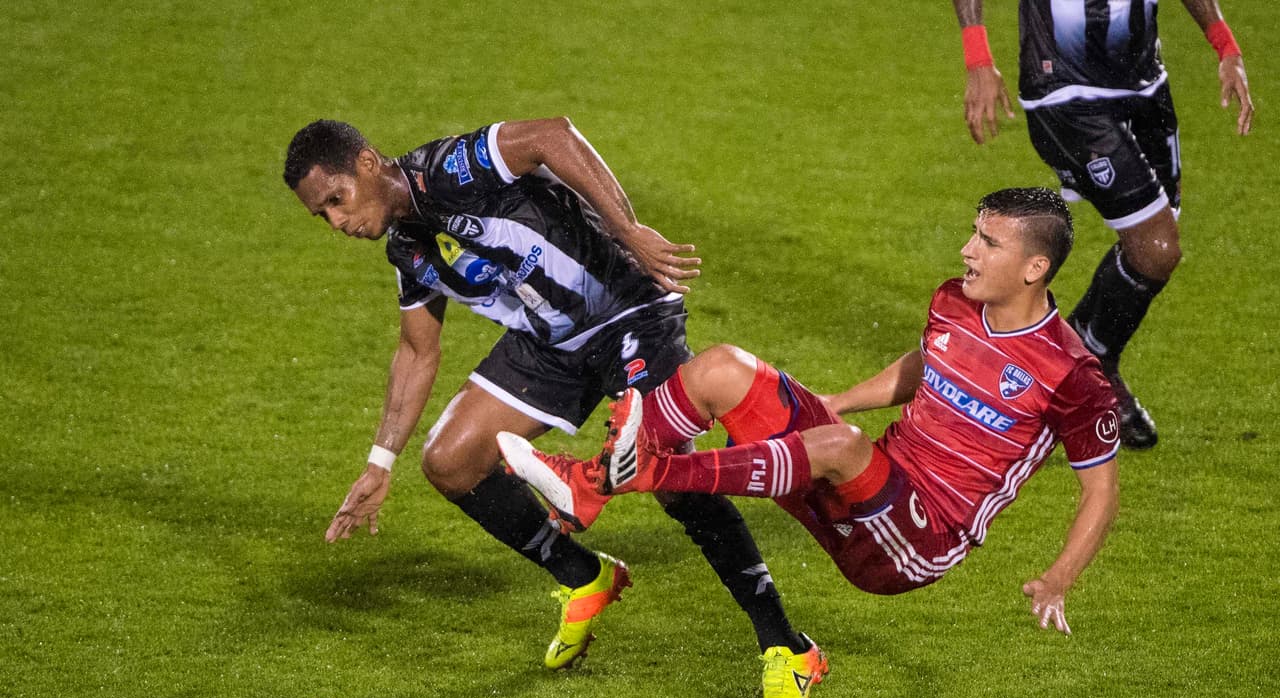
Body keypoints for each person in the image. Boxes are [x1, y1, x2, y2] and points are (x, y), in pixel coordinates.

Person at [282, 117, 823, 698]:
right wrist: (380, 463)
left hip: (628, 308)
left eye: (336, 200)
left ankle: (788, 649)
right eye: (320, 215)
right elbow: (415, 350)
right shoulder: (407, 249)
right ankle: (583, 575)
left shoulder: (450, 170)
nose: (336, 222)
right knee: (451, 461)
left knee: (674, 479)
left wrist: (628, 229)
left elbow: (550, 134)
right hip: (552, 344)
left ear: (369, 164)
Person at [500, 188, 1120, 636]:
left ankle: (630, 474)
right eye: (974, 233)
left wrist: (1061, 576)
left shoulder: (1072, 374)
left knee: (842, 445)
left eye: (988, 241)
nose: (967, 250)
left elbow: (1101, 491)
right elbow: (928, 361)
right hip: (860, 480)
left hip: (918, 539)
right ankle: (589, 487)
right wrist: (838, 400)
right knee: (722, 367)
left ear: (1036, 267)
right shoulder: (955, 303)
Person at [952, 0, 1255, 449]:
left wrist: (1225, 46)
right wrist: (978, 58)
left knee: (1149, 251)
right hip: (1064, 90)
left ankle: (1075, 361)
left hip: (1144, 87)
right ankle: (1080, 371)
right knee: (1157, 247)